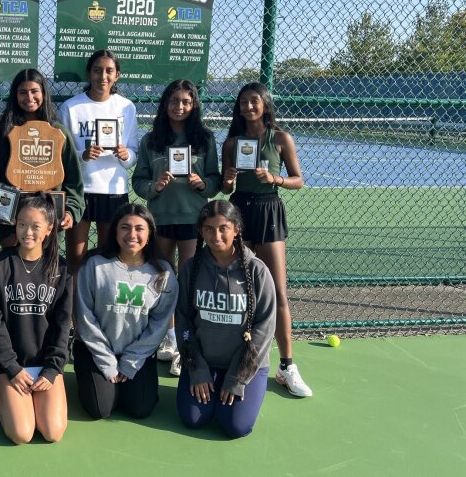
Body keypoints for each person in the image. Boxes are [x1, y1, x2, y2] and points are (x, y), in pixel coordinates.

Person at [220, 82, 312, 397]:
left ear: (265, 104)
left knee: (278, 291)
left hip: (270, 210)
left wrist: (275, 179)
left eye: (254, 101)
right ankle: (237, 358)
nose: (248, 106)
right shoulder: (232, 143)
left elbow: (299, 180)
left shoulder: (281, 138)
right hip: (240, 211)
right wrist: (229, 179)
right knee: (241, 291)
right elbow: (227, 188)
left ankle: (287, 366)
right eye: (243, 102)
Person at [133, 79, 221, 376]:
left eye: (185, 101)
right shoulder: (151, 140)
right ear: (164, 104)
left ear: (194, 104)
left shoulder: (205, 139)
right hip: (160, 219)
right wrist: (154, 187)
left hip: (192, 219)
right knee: (161, 278)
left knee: (188, 279)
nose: (179, 107)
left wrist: (203, 184)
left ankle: (186, 341)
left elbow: (215, 180)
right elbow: (138, 182)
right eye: (173, 101)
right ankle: (167, 336)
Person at [176, 200, 276, 438]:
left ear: (236, 229)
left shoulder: (256, 270)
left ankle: (229, 387)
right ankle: (210, 383)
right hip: (205, 361)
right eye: (209, 228)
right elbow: (183, 322)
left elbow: (264, 328)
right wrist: (197, 370)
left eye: (223, 228)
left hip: (245, 363)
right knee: (193, 418)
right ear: (200, 231)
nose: (216, 235)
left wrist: (237, 378)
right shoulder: (191, 269)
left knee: (235, 426)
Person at [0, 194, 73, 444]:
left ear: (49, 229)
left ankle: (35, 399)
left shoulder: (61, 269)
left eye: (35, 226)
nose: (27, 232)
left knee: (52, 433)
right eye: (22, 224)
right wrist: (11, 367)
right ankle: (11, 396)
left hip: (44, 364)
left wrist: (53, 369)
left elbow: (62, 325)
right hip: (10, 366)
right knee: (22, 433)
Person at [73, 204, 177, 420]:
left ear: (149, 233)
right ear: (114, 231)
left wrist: (131, 361)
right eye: (125, 227)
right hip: (96, 351)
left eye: (139, 228)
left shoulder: (163, 273)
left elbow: (159, 324)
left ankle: (125, 385)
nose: (132, 234)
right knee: (100, 409)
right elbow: (84, 317)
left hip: (137, 353)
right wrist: (107, 362)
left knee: (139, 409)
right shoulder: (94, 265)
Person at [0, 68, 85, 248]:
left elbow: (74, 182)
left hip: (48, 219)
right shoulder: (4, 130)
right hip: (11, 221)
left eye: (34, 91)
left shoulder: (59, 133)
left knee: (43, 272)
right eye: (23, 92)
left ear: (44, 92)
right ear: (15, 96)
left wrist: (71, 212)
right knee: (13, 268)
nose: (29, 98)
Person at [59, 49, 139, 273]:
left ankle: (101, 305)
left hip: (113, 190)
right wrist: (82, 156)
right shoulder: (71, 107)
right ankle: (74, 306)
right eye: (97, 70)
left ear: (117, 76)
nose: (102, 76)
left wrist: (125, 155)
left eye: (109, 71)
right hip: (79, 190)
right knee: (76, 258)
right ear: (88, 73)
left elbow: (133, 153)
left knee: (109, 257)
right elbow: (61, 156)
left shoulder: (126, 107)